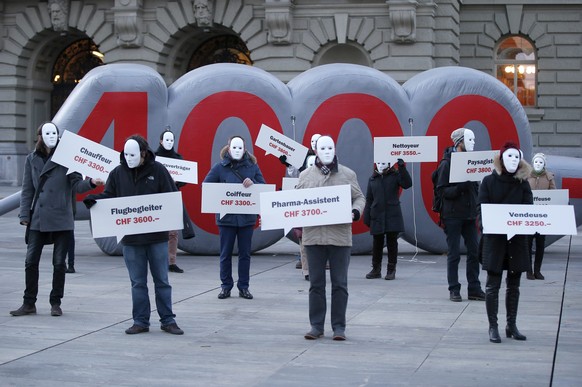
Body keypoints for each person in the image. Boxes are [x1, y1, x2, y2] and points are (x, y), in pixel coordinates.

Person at [83, 135, 184, 335]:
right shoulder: (118, 173)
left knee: (162, 280)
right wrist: (94, 200)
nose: (129, 159)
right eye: (126, 154)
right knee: (137, 282)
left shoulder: (158, 170)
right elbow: (109, 197)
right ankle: (140, 321)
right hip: (131, 239)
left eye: (133, 155)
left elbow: (171, 196)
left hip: (156, 238)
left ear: (143, 154)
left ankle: (168, 320)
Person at [10, 122, 103, 317]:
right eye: (47, 133)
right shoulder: (31, 159)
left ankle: (55, 302)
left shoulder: (69, 157)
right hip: (38, 218)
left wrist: (92, 183)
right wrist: (24, 215)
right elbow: (28, 189)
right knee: (30, 261)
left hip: (61, 216)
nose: (52, 136)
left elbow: (77, 186)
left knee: (59, 263)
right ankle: (29, 303)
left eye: (55, 133)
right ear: (40, 136)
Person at [297, 135, 365, 341]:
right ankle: (316, 326)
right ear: (316, 151)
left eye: (330, 147)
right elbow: (294, 202)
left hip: (340, 237)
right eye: (323, 148)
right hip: (313, 237)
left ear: (335, 149)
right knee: (316, 284)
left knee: (340, 284)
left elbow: (359, 197)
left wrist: (355, 211)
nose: (327, 151)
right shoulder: (305, 176)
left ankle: (339, 327)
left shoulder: (347, 174)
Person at [478, 141, 533, 343]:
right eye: (509, 156)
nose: (513, 160)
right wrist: (489, 225)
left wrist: (516, 225)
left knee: (514, 285)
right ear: (501, 159)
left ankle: (512, 324)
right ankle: (493, 326)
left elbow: (528, 209)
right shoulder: (488, 182)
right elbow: (481, 208)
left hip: (517, 241)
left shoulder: (523, 184)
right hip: (495, 240)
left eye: (516, 157)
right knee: (493, 285)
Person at [203, 136, 265, 300]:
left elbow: (263, 187)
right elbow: (207, 186)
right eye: (234, 147)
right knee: (225, 254)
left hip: (246, 219)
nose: (237, 150)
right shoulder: (219, 167)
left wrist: (253, 184)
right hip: (226, 219)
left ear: (245, 149)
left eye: (240, 148)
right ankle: (226, 286)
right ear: (228, 148)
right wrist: (225, 190)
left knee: (245, 254)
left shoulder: (252, 166)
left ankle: (244, 287)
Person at [435, 128, 485, 302]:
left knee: (474, 251)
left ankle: (474, 288)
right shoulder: (446, 163)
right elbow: (441, 191)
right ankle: (454, 289)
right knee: (454, 253)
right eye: (469, 140)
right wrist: (461, 187)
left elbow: (476, 187)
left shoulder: (472, 162)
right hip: (453, 215)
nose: (473, 143)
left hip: (470, 215)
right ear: (459, 142)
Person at [363, 158, 412, 280]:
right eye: (378, 163)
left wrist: (402, 168)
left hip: (392, 213)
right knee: (377, 242)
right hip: (377, 214)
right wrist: (367, 214)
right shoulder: (373, 179)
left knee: (392, 242)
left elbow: (407, 184)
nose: (380, 165)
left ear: (389, 164)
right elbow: (369, 198)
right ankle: (376, 268)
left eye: (383, 163)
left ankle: (391, 269)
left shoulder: (395, 176)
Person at [155, 128, 186, 274]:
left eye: (172, 140)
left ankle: (171, 261)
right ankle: (157, 260)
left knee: (173, 233)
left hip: (173, 197)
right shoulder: (153, 158)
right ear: (161, 141)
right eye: (166, 140)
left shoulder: (178, 159)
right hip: (158, 197)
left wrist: (177, 182)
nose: (169, 142)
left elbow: (186, 179)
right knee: (157, 231)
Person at [526, 153, 555, 280]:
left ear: (544, 164)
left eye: (540, 162)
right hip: (529, 215)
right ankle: (528, 270)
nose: (538, 164)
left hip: (542, 216)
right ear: (533, 163)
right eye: (536, 162)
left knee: (540, 243)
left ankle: (538, 270)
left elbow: (553, 194)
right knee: (527, 243)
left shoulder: (549, 178)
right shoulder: (526, 176)